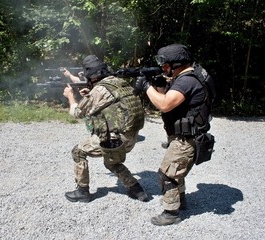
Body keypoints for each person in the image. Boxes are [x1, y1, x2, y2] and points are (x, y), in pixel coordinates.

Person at [134, 44, 210, 225]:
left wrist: (146, 87)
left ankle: (171, 213)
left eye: (165, 64)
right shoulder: (191, 76)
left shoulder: (186, 81)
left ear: (177, 63)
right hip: (186, 136)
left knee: (167, 174)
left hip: (186, 139)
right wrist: (160, 87)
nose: (163, 68)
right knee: (177, 171)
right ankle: (180, 201)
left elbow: (165, 105)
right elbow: (169, 101)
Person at [62, 55, 148, 203]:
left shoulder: (99, 90)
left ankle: (82, 191)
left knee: (78, 151)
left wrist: (70, 97)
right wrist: (88, 96)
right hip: (131, 137)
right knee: (111, 161)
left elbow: (77, 113)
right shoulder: (119, 82)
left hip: (117, 140)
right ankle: (137, 190)